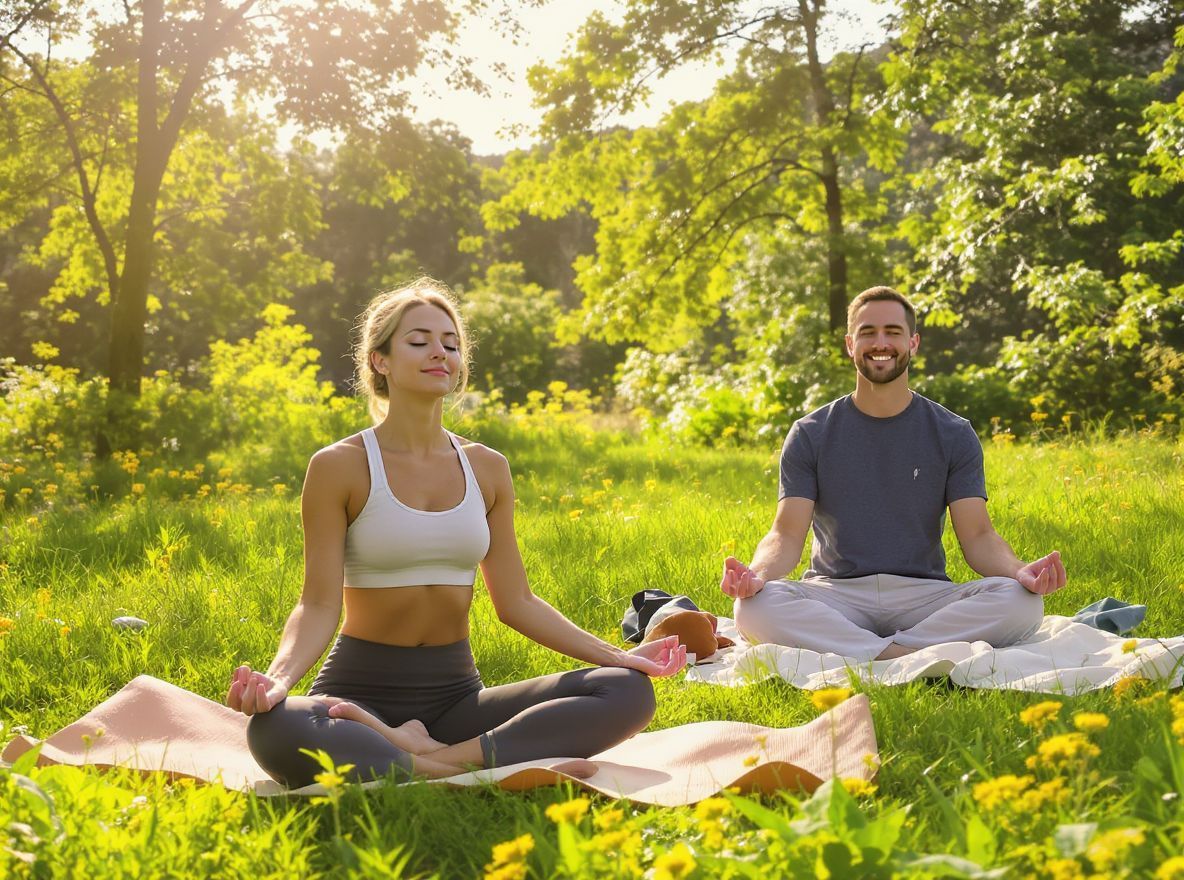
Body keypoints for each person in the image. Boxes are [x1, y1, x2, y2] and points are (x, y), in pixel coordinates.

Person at [229, 278, 685, 787]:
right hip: (357, 694)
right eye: (419, 341)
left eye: (450, 343)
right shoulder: (341, 466)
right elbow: (316, 605)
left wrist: (620, 656)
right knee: (274, 728)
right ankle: (458, 761)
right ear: (380, 360)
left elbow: (518, 603)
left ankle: (419, 758)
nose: (439, 353)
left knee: (627, 691)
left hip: (455, 699)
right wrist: (279, 681)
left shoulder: (487, 468)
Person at [720, 286, 1066, 661]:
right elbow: (785, 534)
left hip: (923, 594)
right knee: (755, 607)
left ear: (913, 343)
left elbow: (979, 536)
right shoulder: (811, 432)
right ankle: (904, 655)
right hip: (836, 592)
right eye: (868, 333)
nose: (880, 342)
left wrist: (1021, 572)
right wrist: (755, 574)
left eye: (893, 332)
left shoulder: (953, 432)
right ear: (850, 345)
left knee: (1022, 602)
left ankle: (871, 653)